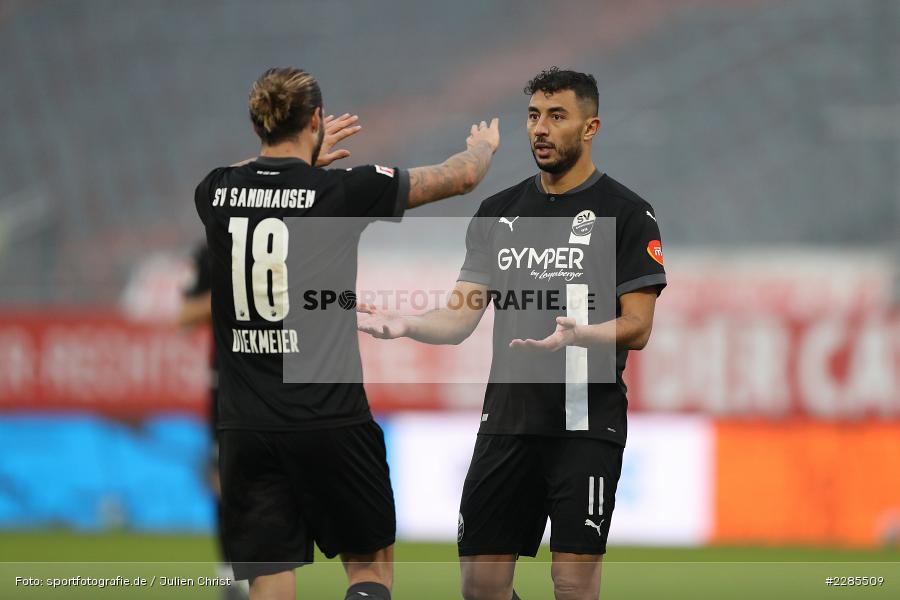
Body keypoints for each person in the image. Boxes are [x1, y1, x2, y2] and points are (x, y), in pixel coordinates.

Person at [358, 67, 666, 600]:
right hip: (506, 423)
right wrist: (408, 324)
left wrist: (583, 335)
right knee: (480, 586)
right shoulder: (498, 213)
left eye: (556, 116)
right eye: (532, 116)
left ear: (590, 128)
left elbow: (638, 327)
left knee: (572, 586)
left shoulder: (628, 214)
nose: (540, 129)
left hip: (585, 425)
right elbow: (459, 317)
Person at [193, 66, 499, 600]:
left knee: (269, 577)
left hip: (245, 425)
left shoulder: (215, 191)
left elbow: (253, 175)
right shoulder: (339, 191)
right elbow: (460, 178)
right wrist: (483, 148)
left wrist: (296, 153)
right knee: (369, 569)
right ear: (316, 119)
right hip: (330, 415)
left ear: (258, 122)